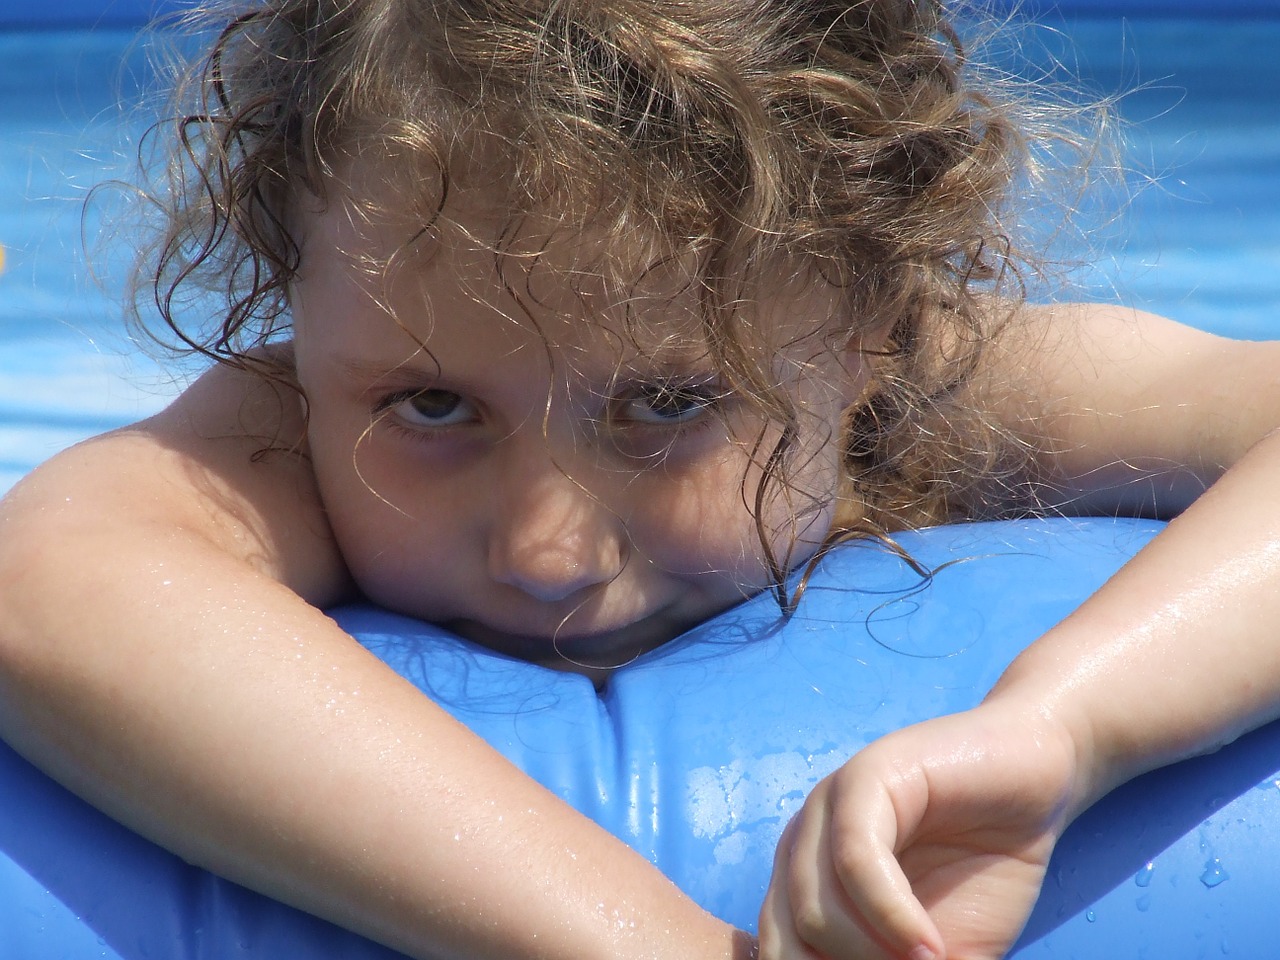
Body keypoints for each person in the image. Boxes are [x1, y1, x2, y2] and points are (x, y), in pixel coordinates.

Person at [0, 1, 1278, 959]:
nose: (548, 553)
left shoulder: (944, 378)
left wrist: (1062, 727)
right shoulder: (288, 420)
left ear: (863, 325)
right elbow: (46, 579)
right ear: (297, 295)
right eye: (432, 406)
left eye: (670, 403)